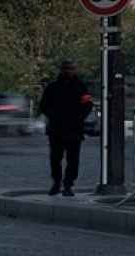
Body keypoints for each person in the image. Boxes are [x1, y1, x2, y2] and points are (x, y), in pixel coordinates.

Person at [37, 59, 94, 195]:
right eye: (65, 69)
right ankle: (56, 182)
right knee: (55, 158)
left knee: (73, 160)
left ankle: (68, 184)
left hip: (74, 129)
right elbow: (43, 105)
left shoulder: (81, 87)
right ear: (61, 71)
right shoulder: (52, 88)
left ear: (75, 71)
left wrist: (79, 117)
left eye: (71, 69)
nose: (68, 71)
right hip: (57, 129)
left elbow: (88, 105)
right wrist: (54, 117)